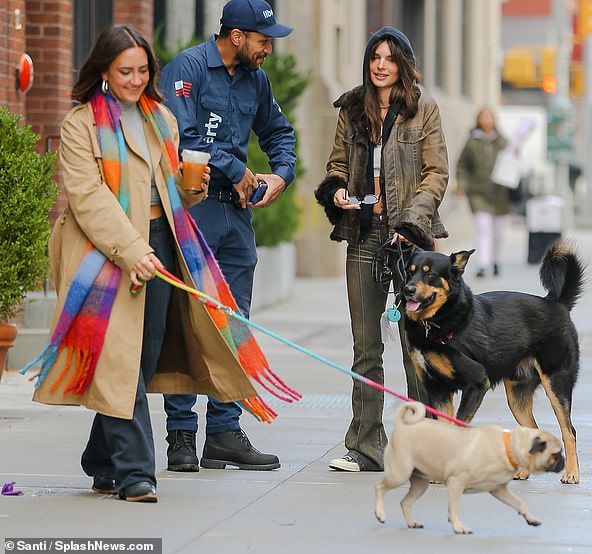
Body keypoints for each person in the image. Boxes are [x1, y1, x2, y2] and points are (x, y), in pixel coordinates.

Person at [24, 24, 260, 502]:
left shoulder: (161, 119)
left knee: (142, 356)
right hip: (102, 251)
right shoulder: (80, 124)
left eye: (142, 70)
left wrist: (192, 188)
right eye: (124, 71)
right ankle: (136, 473)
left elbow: (173, 190)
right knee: (121, 360)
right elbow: (89, 199)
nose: (135, 79)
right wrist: (132, 250)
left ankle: (100, 458)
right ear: (105, 72)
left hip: (162, 241)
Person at [158, 0, 296, 472]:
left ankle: (223, 430)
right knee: (189, 318)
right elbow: (182, 135)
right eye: (264, 39)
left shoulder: (257, 80)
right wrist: (237, 167)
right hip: (194, 208)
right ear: (237, 36)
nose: (269, 49)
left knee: (235, 321)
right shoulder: (189, 69)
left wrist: (279, 174)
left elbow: (280, 133)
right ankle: (181, 435)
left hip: (237, 217)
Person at [314, 27, 449, 472]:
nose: (380, 64)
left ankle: (423, 446)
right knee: (366, 346)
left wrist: (411, 222)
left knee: (415, 346)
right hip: (364, 233)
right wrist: (335, 190)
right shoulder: (352, 108)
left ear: (403, 64)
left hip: (408, 242)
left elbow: (436, 173)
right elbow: (336, 162)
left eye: (390, 58)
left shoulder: (422, 108)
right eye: (375, 56)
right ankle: (366, 445)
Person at [455, 106, 510, 277]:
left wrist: (515, 154)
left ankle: (496, 261)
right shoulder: (472, 141)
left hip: (501, 194)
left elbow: (513, 164)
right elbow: (462, 166)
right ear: (478, 120)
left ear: (494, 120)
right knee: (483, 227)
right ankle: (483, 264)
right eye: (483, 117)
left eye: (489, 117)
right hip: (478, 193)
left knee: (498, 231)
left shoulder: (503, 142)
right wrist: (462, 185)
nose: (486, 120)